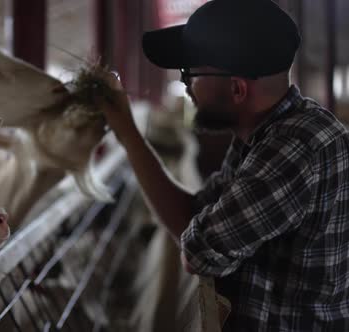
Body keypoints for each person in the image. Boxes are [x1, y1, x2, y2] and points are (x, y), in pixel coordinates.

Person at [98, 0, 349, 330]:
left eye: (191, 73)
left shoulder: (297, 147)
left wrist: (128, 133)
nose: (185, 85)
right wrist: (128, 132)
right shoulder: (260, 136)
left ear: (237, 89)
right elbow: (191, 217)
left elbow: (198, 253)